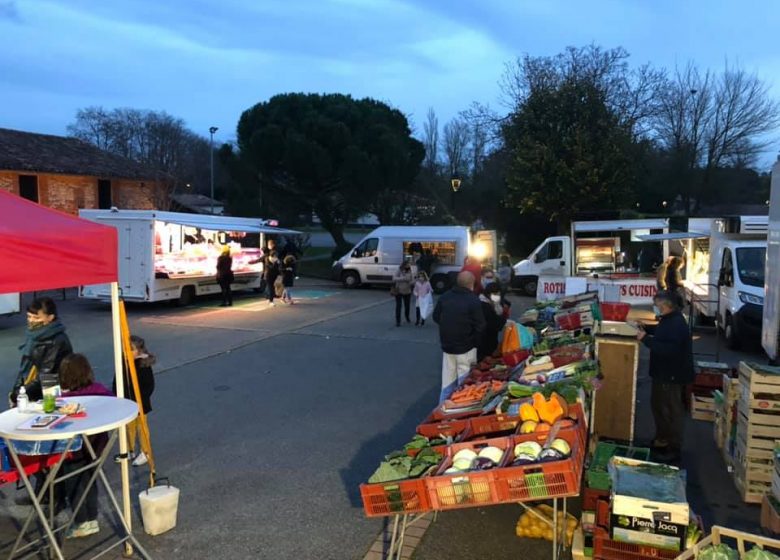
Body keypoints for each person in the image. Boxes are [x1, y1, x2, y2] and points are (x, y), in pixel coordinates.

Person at [58, 354, 114, 539]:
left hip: (74, 448)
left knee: (74, 483)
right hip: (97, 445)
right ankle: (91, 517)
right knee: (90, 480)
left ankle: (82, 522)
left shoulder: (65, 399)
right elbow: (113, 403)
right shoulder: (98, 390)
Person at [636, 291, 694, 463]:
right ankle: (661, 440)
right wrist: (646, 328)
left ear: (666, 305)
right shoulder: (669, 320)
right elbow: (662, 332)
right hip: (663, 374)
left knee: (670, 411)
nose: (655, 308)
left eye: (657, 305)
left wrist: (646, 339)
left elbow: (670, 350)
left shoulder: (676, 323)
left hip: (671, 376)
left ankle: (673, 448)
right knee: (659, 407)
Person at [433, 271, 486, 402]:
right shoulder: (473, 300)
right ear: (471, 284)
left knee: (447, 381)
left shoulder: (445, 296)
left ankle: (443, 409)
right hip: (466, 347)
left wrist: (448, 326)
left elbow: (436, 316)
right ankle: (459, 410)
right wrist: (475, 342)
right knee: (465, 383)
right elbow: (481, 325)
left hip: (447, 346)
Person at [10, 297, 73, 404]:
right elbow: (25, 367)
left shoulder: (57, 341)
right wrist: (17, 389)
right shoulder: (34, 335)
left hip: (49, 394)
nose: (31, 320)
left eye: (36, 318)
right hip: (31, 391)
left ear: (50, 317)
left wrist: (20, 393)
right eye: (29, 316)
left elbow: (47, 375)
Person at [113, 335, 155, 467]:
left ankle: (145, 451)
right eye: (124, 349)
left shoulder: (143, 365)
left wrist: (140, 401)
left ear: (139, 351)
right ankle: (129, 450)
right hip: (126, 403)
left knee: (141, 428)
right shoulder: (123, 363)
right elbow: (117, 381)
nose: (126, 352)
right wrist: (116, 394)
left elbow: (149, 385)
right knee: (128, 428)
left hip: (140, 403)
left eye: (130, 349)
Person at [478, 283, 508, 360]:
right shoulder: (484, 305)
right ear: (489, 294)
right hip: (485, 342)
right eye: (495, 294)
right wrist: (504, 318)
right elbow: (494, 324)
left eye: (498, 294)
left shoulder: (494, 303)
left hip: (491, 339)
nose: (497, 296)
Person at [393, 262, 414, 326]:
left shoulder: (410, 271)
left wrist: (412, 282)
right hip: (399, 290)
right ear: (404, 265)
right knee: (398, 306)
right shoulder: (399, 270)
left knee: (407, 306)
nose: (408, 266)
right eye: (407, 265)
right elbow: (394, 278)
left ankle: (407, 317)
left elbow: (412, 280)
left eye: (409, 265)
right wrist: (403, 279)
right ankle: (398, 321)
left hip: (407, 291)